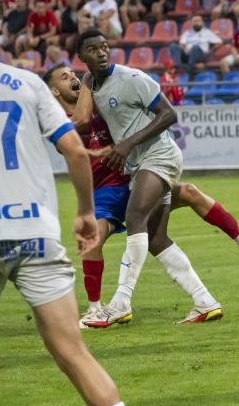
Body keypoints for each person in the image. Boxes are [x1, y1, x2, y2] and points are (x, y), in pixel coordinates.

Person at [0, 0, 132, 406]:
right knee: (73, 352)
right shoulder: (28, 82)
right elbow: (73, 147)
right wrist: (86, 211)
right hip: (36, 234)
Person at [43, 64, 239, 324]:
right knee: (95, 242)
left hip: (132, 180)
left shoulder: (98, 102)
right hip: (103, 194)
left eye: (74, 74)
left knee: (187, 194)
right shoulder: (60, 123)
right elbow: (78, 131)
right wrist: (89, 84)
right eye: (65, 78)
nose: (74, 78)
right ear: (54, 91)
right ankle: (95, 308)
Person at [73, 29, 222, 326]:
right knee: (155, 238)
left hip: (160, 156)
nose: (101, 52)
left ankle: (120, 302)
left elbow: (168, 114)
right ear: (82, 57)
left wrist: (126, 145)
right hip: (141, 162)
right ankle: (205, 302)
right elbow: (82, 119)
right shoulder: (95, 84)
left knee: (135, 217)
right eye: (93, 49)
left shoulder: (130, 78)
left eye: (105, 47)